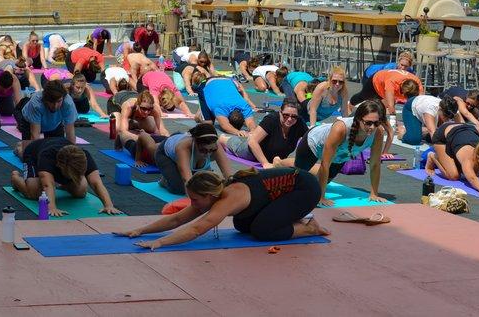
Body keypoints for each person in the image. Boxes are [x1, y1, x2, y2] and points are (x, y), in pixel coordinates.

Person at [114, 167, 328, 250]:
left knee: (263, 230)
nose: (193, 205)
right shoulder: (212, 195)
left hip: (305, 189)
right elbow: (177, 220)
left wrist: (160, 242)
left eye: (196, 200)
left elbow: (197, 229)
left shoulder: (227, 198)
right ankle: (290, 219)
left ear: (209, 196)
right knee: (242, 224)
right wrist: (141, 230)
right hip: (281, 192)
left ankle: (309, 228)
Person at [277, 100, 388, 206]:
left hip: (339, 154)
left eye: (376, 123)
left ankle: (303, 167)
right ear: (358, 119)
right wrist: (320, 196)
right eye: (368, 123)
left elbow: (375, 164)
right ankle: (280, 163)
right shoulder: (340, 129)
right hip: (313, 142)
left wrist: (374, 194)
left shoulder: (378, 132)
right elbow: (325, 164)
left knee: (323, 180)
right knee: (299, 179)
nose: (372, 127)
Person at [10, 138, 121, 217]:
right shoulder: (47, 157)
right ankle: (15, 178)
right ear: (60, 167)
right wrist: (52, 207)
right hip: (34, 153)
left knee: (81, 191)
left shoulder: (84, 157)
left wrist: (108, 205)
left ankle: (64, 184)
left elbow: (97, 183)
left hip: (64, 157)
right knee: (34, 193)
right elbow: (47, 185)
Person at [219, 99, 308, 168]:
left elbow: (310, 140)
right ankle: (223, 138)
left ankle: (256, 133)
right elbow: (252, 142)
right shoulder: (271, 120)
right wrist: (265, 163)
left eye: (294, 116)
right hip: (251, 153)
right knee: (237, 145)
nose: (289, 119)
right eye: (286, 115)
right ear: (280, 112)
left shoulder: (299, 123)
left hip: (276, 158)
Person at [154, 123, 233, 195]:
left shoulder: (216, 146)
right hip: (164, 154)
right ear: (195, 142)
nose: (208, 154)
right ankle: (165, 181)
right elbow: (187, 180)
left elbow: (229, 176)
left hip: (186, 151)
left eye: (212, 150)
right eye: (203, 150)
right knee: (180, 189)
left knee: (210, 186)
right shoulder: (183, 147)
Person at [426, 123, 479, 197]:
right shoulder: (468, 158)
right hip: (443, 135)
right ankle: (433, 156)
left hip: (465, 131)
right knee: (453, 175)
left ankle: (453, 159)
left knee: (472, 173)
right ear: (478, 157)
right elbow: (472, 178)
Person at [15, 80, 77, 149]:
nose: (55, 106)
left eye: (59, 101)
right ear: (45, 99)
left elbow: (70, 134)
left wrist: (72, 155)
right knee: (28, 156)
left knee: (57, 153)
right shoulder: (36, 103)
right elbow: (35, 135)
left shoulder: (68, 103)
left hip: (55, 124)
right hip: (29, 123)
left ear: (63, 98)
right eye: (51, 102)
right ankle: (20, 148)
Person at [349, 69, 423, 115]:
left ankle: (380, 118)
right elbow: (391, 106)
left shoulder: (417, 82)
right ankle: (350, 105)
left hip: (389, 83)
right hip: (376, 82)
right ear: (402, 90)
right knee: (362, 97)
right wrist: (393, 122)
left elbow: (420, 103)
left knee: (381, 108)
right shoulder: (392, 82)